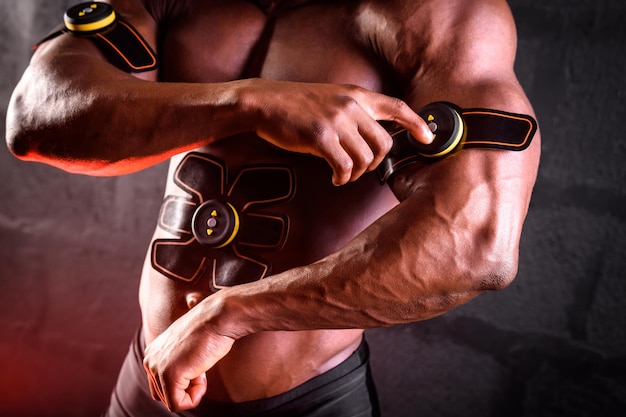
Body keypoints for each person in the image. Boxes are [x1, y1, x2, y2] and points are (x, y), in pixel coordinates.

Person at [5, 0, 541, 415]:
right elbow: (35, 116)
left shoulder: (438, 14)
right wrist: (250, 102)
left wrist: (229, 316)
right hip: (148, 379)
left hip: (303, 401)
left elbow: (475, 244)